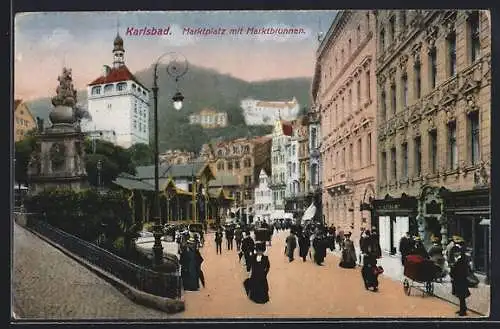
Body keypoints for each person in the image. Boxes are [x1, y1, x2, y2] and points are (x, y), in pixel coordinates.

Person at [450, 245, 471, 316]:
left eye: (457, 252)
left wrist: (452, 269)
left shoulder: (461, 260)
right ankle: (462, 309)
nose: (455, 254)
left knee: (461, 296)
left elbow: (458, 270)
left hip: (460, 280)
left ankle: (463, 311)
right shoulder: (460, 259)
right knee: (460, 296)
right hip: (458, 280)